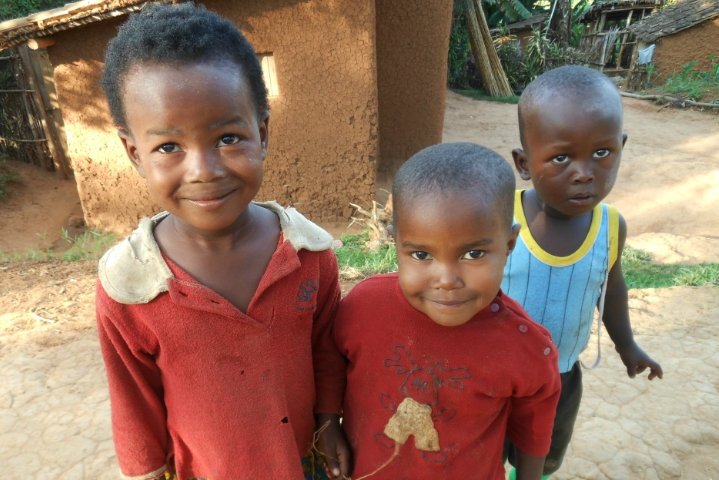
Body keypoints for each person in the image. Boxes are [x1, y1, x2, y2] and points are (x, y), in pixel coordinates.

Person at [94, 4, 343, 479]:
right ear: (134, 153)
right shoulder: (131, 286)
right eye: (168, 147)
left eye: (229, 138)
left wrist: (330, 420)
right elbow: (133, 404)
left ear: (263, 134)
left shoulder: (308, 255)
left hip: (304, 462)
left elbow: (327, 350)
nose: (204, 171)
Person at [318, 142, 562, 479]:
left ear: (508, 246)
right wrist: (328, 422)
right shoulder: (364, 306)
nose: (447, 281)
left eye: (474, 254)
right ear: (396, 243)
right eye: (421, 255)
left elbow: (533, 433)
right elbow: (331, 357)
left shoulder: (526, 347)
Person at [501, 65, 664, 479]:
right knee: (483, 450)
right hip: (495, 372)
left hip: (561, 376)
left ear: (621, 146)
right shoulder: (501, 219)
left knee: (542, 458)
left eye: (603, 152)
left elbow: (609, 290)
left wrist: (627, 345)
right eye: (561, 157)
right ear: (523, 163)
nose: (585, 171)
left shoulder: (611, 228)